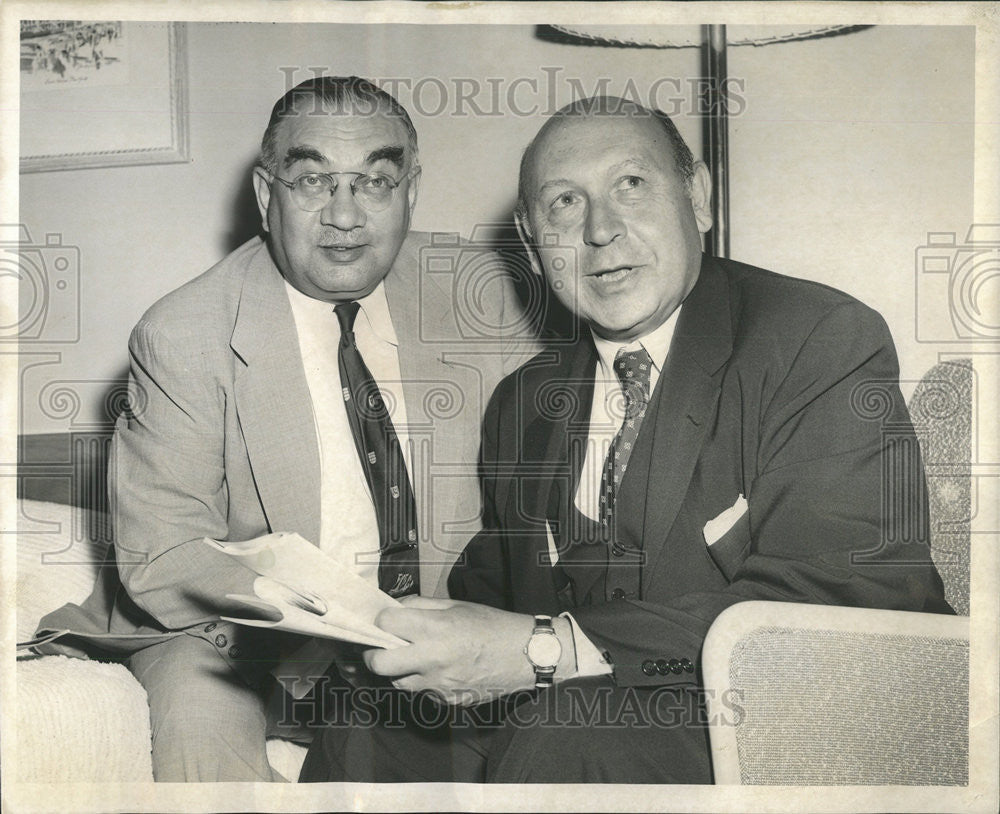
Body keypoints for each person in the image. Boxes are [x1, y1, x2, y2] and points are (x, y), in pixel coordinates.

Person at [301, 96, 952, 784]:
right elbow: (494, 592)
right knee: (362, 723)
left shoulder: (815, 339)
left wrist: (543, 649)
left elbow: (842, 595)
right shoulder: (523, 403)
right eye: (563, 204)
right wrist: (398, 636)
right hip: (574, 725)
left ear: (697, 197)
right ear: (531, 240)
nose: (601, 231)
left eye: (631, 186)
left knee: (562, 732)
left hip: (780, 725)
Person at [33, 76, 531, 782]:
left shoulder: (486, 293)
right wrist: (346, 623)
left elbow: (545, 486)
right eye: (313, 181)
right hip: (241, 636)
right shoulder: (184, 334)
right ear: (268, 197)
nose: (346, 215)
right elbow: (165, 557)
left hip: (449, 621)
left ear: (410, 191)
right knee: (199, 721)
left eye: (376, 181)